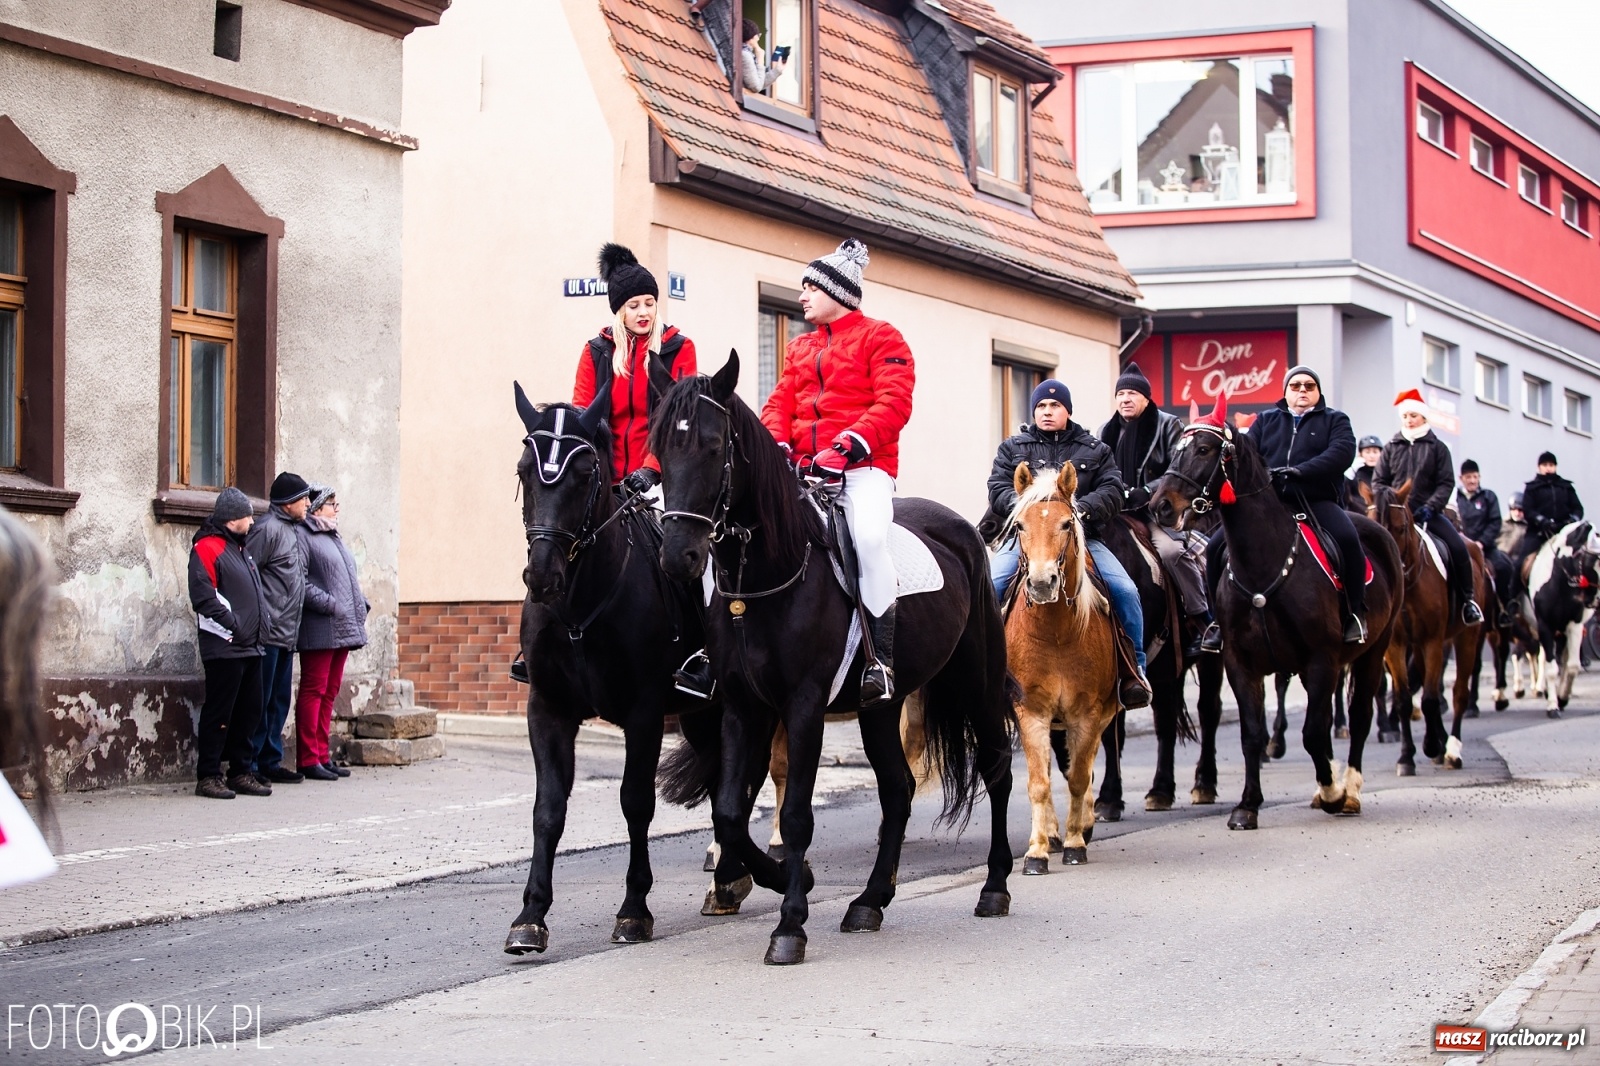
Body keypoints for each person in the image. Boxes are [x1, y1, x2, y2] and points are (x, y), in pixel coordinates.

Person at [511, 243, 700, 688]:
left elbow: (677, 423)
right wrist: (601, 477)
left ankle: (703, 648)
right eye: (634, 305)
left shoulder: (678, 349)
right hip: (606, 478)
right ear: (619, 310)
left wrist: (651, 470)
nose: (644, 313)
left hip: (662, 476)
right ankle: (538, 638)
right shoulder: (596, 351)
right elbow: (582, 421)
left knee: (686, 551)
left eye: (650, 303)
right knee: (560, 535)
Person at [761, 239, 911, 703]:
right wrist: (777, 445)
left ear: (838, 292)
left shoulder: (883, 337)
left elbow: (894, 403)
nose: (802, 296)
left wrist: (847, 446)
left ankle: (879, 661)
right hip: (803, 470)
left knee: (867, 538)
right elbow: (779, 402)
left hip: (864, 470)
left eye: (810, 288)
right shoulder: (799, 346)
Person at [987, 379, 1152, 708]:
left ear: (1068, 411)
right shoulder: (1012, 448)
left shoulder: (1095, 450)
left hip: (1082, 539)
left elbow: (1112, 489)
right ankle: (986, 670)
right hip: (1026, 539)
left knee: (1126, 592)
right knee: (991, 585)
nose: (1047, 412)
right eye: (1041, 407)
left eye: (1054, 406)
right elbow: (997, 487)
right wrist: (1030, 508)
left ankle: (1134, 671)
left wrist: (1078, 510)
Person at [1207, 366, 1368, 648]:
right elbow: (1247, 455)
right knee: (1215, 547)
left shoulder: (1336, 420)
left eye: (1309, 386)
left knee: (1348, 539)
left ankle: (1355, 613)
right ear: (1285, 392)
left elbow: (1341, 453)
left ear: (1318, 392)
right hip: (1269, 505)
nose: (1302, 391)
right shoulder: (1267, 421)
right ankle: (1217, 621)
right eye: (1295, 386)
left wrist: (1300, 471)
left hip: (1316, 500)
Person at [1097, 361, 1210, 657]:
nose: (1125, 399)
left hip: (1155, 511)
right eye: (1121, 394)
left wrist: (1147, 491)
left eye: (1133, 393)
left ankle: (1200, 619)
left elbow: (1178, 468)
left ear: (1146, 398)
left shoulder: (1168, 424)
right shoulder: (1104, 430)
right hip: (1114, 512)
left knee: (1172, 553)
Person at [1374, 389, 1483, 626]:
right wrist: (1390, 501)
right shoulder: (1391, 447)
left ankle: (1467, 601)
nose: (1409, 420)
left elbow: (1446, 483)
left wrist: (1431, 507)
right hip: (1396, 517)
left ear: (1423, 417)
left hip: (1428, 513)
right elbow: (1378, 481)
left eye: (1413, 415)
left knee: (1458, 547)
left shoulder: (1438, 447)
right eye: (1405, 416)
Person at [188, 488, 270, 799]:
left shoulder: (240, 549)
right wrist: (234, 625)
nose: (252, 521)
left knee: (250, 711)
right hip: (225, 646)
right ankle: (208, 775)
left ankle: (240, 771)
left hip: (250, 645)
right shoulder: (208, 548)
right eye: (247, 516)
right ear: (232, 518)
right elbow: (204, 596)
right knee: (219, 713)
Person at [293, 486, 369, 781]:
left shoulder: (333, 537)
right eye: (332, 505)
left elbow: (345, 580)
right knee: (313, 690)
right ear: (317, 508)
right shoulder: (305, 536)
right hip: (320, 625)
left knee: (330, 691)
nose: (337, 510)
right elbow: (300, 581)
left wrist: (359, 604)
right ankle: (307, 758)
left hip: (343, 625)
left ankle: (322, 755)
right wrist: (330, 604)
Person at [245, 472, 312, 786]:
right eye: (303, 498)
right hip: (269, 633)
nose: (308, 504)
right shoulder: (267, 529)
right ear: (287, 503)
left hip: (288, 633)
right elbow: (249, 575)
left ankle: (270, 760)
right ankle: (252, 763)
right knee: (261, 700)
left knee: (279, 701)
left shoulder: (294, 531)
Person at [1455, 459, 1511, 624]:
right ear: (1461, 478)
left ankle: (1505, 608)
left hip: (1485, 547)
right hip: (1462, 546)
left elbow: (1495, 522)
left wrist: (1481, 542)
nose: (1472, 480)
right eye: (1468, 477)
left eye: (1475, 477)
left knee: (1504, 567)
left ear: (1479, 477)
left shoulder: (1488, 497)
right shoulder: (1455, 499)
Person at [1518, 451, 1584, 563]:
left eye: (1551, 465)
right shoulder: (1531, 488)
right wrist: (1542, 521)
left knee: (1585, 557)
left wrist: (1572, 520)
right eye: (1545, 465)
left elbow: (1578, 508)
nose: (1548, 468)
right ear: (1539, 467)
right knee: (1520, 564)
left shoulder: (1566, 487)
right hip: (1538, 533)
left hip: (1564, 532)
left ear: (1555, 467)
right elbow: (1528, 510)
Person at [739, 18, 786, 94]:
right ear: (754, 37)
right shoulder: (745, 55)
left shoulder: (744, 52)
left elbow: (758, 82)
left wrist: (777, 70)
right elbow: (756, 87)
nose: (758, 38)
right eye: (758, 35)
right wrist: (760, 60)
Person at [1344, 434, 1383, 509]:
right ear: (1361, 454)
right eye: (1367, 452)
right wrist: (1350, 473)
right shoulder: (1355, 474)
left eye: (1375, 452)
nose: (1371, 456)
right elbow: (1344, 494)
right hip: (1359, 513)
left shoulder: (1384, 474)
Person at [1498, 492, 1527, 558]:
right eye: (1514, 509)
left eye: (1520, 510)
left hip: (1519, 562)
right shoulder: (1500, 524)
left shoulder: (1528, 528)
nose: (1517, 513)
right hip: (1500, 560)